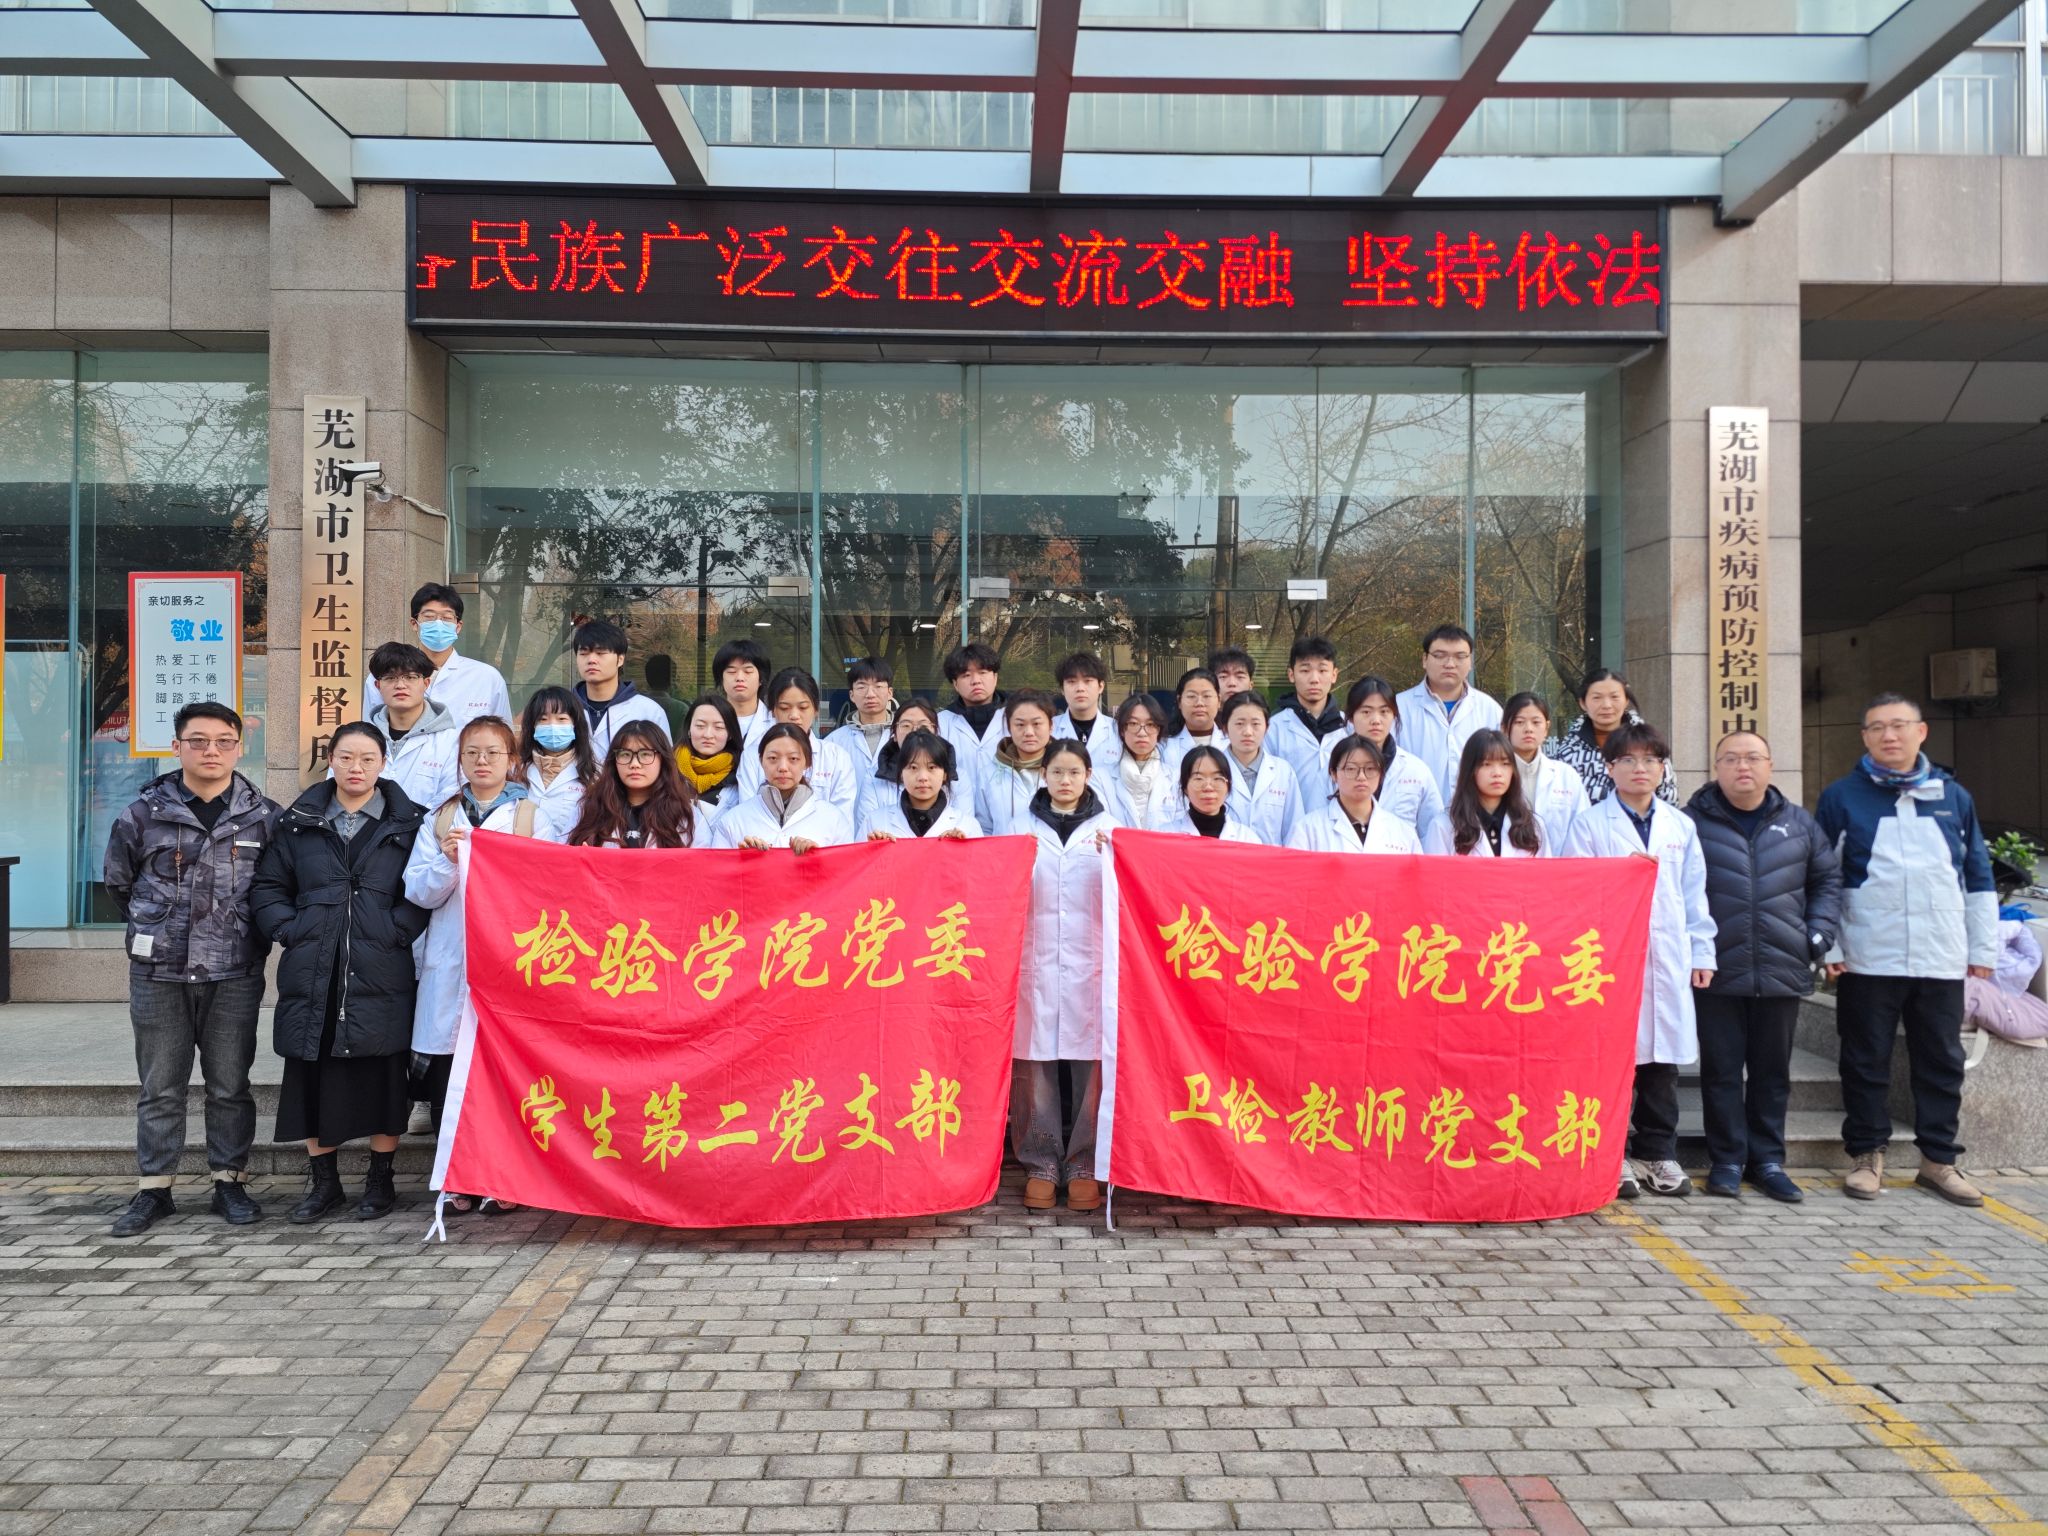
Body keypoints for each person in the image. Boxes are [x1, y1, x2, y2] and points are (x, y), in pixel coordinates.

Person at [102, 701, 278, 1238]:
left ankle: (230, 1181)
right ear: (177, 747)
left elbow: (274, 889)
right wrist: (160, 929)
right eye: (198, 741)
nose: (211, 751)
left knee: (230, 1085)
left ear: (239, 747)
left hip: (234, 970)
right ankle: (155, 1189)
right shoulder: (141, 814)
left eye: (223, 741)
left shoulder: (264, 817)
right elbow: (119, 884)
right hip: (160, 972)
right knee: (161, 1086)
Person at [1816, 693, 1997, 1207]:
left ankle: (1939, 1160)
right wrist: (1829, 943)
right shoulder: (1842, 797)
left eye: (1898, 726)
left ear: (1922, 732)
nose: (1888, 736)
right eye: (1877, 728)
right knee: (1864, 1058)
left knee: (1942, 1060)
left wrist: (1982, 948)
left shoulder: (1953, 797)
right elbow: (1823, 876)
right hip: (1867, 953)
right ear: (1864, 737)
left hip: (1941, 954)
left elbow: (1977, 875)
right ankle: (1866, 1155)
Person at [253, 721, 430, 1224]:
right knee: (313, 1073)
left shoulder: (409, 824)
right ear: (330, 759)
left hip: (381, 968)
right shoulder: (297, 823)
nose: (356, 768)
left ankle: (380, 1180)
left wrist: (396, 931)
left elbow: (422, 890)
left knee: (383, 1075)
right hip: (315, 968)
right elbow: (268, 887)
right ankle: (324, 1183)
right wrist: (291, 930)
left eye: (368, 759)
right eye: (346, 757)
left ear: (383, 764)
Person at [405, 715, 556, 1213]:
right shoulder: (442, 817)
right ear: (461, 760)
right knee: (451, 1076)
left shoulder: (530, 817)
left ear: (512, 760)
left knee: (503, 1073)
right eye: (472, 753)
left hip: (510, 960)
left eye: (493, 752)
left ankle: (504, 1179)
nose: (482, 761)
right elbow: (417, 890)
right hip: (452, 960)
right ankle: (459, 1179)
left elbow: (549, 886)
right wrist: (448, 861)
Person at [1686, 731, 1842, 1203]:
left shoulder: (1798, 824)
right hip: (1717, 969)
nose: (1743, 766)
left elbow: (1827, 880)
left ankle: (1768, 1161)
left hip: (1781, 965)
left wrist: (1817, 937)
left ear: (1770, 765)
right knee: (1721, 1072)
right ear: (1716, 767)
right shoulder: (1691, 823)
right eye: (1732, 758)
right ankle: (1727, 1161)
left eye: (1753, 757)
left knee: (1772, 1074)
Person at [1563, 722, 1716, 1202]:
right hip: (1608, 960)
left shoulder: (1680, 826)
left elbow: (1694, 896)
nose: (1640, 769)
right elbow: (1576, 893)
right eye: (1628, 760)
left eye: (1650, 760)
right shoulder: (1590, 824)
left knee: (1661, 1067)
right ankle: (1611, 1155)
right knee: (1611, 1064)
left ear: (1663, 769)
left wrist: (1702, 951)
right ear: (1609, 768)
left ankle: (1657, 1152)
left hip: (1666, 959)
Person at [1013, 738, 1116, 1213]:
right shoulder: (1020, 828)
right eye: (1057, 772)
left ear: (1089, 775)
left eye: (1074, 772)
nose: (1065, 780)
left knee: (1092, 1066)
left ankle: (1084, 1163)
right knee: (1034, 1067)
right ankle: (1041, 1162)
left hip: (1091, 965)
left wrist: (1116, 857)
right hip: (1033, 963)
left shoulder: (1110, 830)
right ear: (1044, 775)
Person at [1316, 677, 1450, 854]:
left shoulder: (1416, 770)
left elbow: (1432, 834)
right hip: (1341, 862)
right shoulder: (1334, 767)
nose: (1376, 720)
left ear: (1394, 716)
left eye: (1384, 711)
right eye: (1366, 712)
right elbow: (1316, 822)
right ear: (1350, 717)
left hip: (1399, 866)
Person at [1394, 624, 1502, 802]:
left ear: (1470, 662)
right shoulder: (1398, 708)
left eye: (1460, 656)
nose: (1450, 664)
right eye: (1440, 655)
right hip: (1414, 813)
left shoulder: (1490, 709)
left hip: (1476, 813)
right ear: (1424, 659)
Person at [736, 667, 860, 819]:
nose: (794, 715)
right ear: (773, 711)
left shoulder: (836, 757)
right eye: (784, 708)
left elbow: (841, 819)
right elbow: (748, 815)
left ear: (815, 710)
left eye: (803, 707)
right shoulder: (752, 756)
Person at [710, 723, 855, 851]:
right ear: (761, 761)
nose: (783, 767)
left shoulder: (833, 820)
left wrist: (817, 858)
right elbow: (719, 870)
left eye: (793, 759)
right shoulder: (733, 821)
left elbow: (847, 870)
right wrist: (742, 860)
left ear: (807, 762)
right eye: (773, 758)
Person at [1547, 669, 1677, 806]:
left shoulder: (1649, 744)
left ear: (1626, 700)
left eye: (1614, 697)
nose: (1606, 705)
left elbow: (1669, 799)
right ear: (1583, 703)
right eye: (1597, 698)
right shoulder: (1568, 752)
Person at [567, 720, 699, 849]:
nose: (634, 764)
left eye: (645, 754)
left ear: (663, 759)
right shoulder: (590, 808)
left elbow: (701, 860)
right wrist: (582, 856)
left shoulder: (686, 814)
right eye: (625, 754)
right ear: (614, 760)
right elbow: (565, 856)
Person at [365, 641, 461, 811]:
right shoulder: (359, 739)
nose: (400, 685)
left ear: (426, 683)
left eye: (410, 677)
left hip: (425, 828)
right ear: (378, 686)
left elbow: (450, 799)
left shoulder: (452, 741)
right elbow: (339, 789)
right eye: (390, 678)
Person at [1287, 736, 1424, 855]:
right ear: (1333, 774)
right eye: (1351, 769)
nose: (1361, 777)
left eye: (1370, 769)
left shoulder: (1403, 832)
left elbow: (1416, 875)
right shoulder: (1308, 829)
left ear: (1381, 774)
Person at [410, 583, 511, 731]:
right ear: (414, 623)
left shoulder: (487, 678)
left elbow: (503, 737)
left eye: (447, 618)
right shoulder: (389, 676)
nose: (438, 624)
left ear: (458, 626)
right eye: (429, 617)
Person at [571, 618, 670, 760]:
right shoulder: (562, 708)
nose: (591, 660)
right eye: (584, 653)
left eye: (601, 653)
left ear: (620, 659)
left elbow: (664, 765)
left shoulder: (648, 711)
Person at [1503, 691, 1590, 851]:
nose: (1528, 729)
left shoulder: (1566, 775)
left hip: (1560, 864)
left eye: (1536, 722)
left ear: (1546, 728)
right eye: (1519, 722)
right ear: (1504, 728)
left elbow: (1584, 830)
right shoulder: (1496, 776)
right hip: (1510, 864)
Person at [865, 729, 980, 840]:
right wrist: (875, 847)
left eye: (931, 767)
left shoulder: (967, 826)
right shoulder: (875, 822)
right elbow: (860, 853)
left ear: (945, 774)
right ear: (901, 774)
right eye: (913, 767)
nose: (923, 777)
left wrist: (962, 847)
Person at [1218, 691, 1300, 845]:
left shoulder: (1283, 771)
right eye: (1239, 724)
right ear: (1225, 728)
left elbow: (1294, 829)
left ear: (1267, 727)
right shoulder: (1212, 769)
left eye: (1255, 724)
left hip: (1273, 859)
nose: (1248, 732)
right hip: (1226, 857)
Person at [1446, 729, 1544, 858]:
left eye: (1505, 764)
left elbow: (1546, 870)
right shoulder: (1445, 826)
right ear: (1470, 770)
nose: (1497, 773)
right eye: (1486, 764)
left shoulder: (1532, 825)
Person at [1265, 635, 1347, 786]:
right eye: (1305, 670)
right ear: (1291, 675)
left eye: (1322, 670)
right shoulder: (1273, 728)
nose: (1314, 679)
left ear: (1334, 675)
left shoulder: (1348, 727)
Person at [518, 685, 596, 843]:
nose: (552, 726)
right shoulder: (516, 772)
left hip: (569, 856)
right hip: (524, 854)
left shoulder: (594, 774)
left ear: (575, 724)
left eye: (561, 719)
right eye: (543, 719)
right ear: (533, 726)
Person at [977, 690, 1058, 837]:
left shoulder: (1066, 770)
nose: (1029, 732)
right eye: (1020, 724)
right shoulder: (989, 773)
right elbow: (984, 828)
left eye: (1037, 723)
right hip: (1004, 851)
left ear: (1051, 725)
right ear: (1009, 727)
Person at [859, 698, 944, 834]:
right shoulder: (872, 777)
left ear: (935, 732)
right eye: (906, 725)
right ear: (894, 734)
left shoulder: (957, 777)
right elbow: (867, 830)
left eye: (923, 725)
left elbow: (965, 832)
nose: (914, 731)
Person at [1155, 746, 1261, 843]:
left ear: (1228, 786)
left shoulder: (1247, 839)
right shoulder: (1164, 837)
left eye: (1217, 778)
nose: (1208, 787)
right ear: (1185, 787)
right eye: (1199, 779)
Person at [1105, 693, 1173, 830]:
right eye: (1133, 724)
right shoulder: (1101, 778)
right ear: (1122, 730)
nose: (1142, 733)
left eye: (1150, 724)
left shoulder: (1175, 778)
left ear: (1159, 730)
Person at [677, 692, 745, 825]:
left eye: (718, 727)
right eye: (700, 726)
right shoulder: (666, 768)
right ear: (689, 729)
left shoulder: (742, 773)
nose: (708, 735)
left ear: (730, 733)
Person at [938, 641, 1007, 770]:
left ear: (995, 678)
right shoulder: (941, 723)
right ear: (955, 684)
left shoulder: (1016, 718)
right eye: (966, 675)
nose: (976, 681)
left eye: (982, 672)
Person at [1052, 651, 1119, 769]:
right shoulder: (1049, 730)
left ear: (1101, 686)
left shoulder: (1118, 730)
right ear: (1062, 689)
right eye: (1071, 682)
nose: (1080, 688)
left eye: (1087, 681)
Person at [714, 637, 775, 757]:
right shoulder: (707, 721)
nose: (739, 678)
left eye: (748, 671)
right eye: (731, 672)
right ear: (721, 679)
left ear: (761, 679)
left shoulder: (775, 723)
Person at [839, 657, 898, 770]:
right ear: (852, 695)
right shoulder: (834, 741)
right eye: (861, 687)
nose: (870, 694)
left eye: (878, 686)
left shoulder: (906, 735)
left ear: (890, 693)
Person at [1162, 667, 1224, 771]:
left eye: (1207, 696)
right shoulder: (1164, 746)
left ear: (1219, 701)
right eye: (1191, 696)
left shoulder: (1233, 742)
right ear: (1179, 701)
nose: (1199, 703)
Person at [641, 652, 692, 746]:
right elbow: (681, 745)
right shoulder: (681, 709)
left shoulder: (635, 706)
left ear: (647, 678)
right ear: (672, 678)